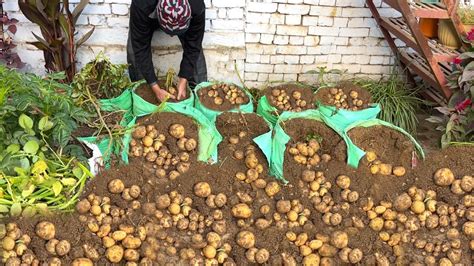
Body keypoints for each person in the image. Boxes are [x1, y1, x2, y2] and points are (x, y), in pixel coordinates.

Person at [128, 0, 207, 102]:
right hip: (150, 13)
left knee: (195, 49)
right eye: (169, 32)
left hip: (184, 15)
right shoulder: (142, 4)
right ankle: (141, 92)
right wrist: (155, 87)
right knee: (133, 49)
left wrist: (183, 78)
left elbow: (193, 46)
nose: (171, 36)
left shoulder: (197, 6)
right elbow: (140, 47)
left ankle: (199, 93)